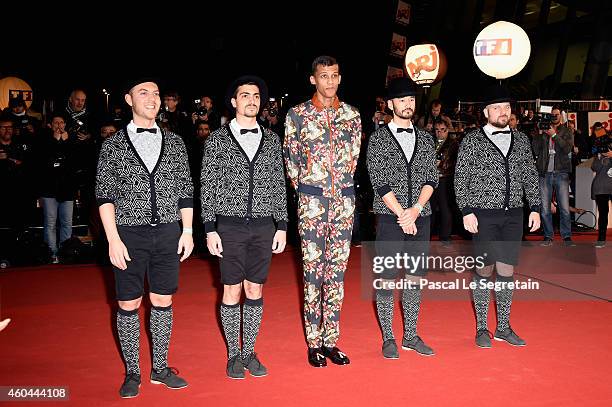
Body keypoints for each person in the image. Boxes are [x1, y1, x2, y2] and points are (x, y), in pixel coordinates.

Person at [96, 78, 194, 398]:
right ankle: (133, 372)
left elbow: (185, 193)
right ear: (128, 99)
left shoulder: (176, 142)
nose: (151, 99)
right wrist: (113, 239)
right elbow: (104, 196)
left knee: (163, 299)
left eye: (155, 93)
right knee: (128, 302)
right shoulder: (113, 145)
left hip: (168, 231)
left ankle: (161, 368)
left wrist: (188, 231)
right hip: (128, 233)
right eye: (143, 93)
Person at [201, 75, 288, 379]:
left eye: (256, 96)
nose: (251, 100)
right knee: (231, 289)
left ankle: (250, 351)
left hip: (265, 226)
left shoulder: (273, 140)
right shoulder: (216, 140)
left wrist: (282, 225)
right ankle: (233, 355)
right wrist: (210, 228)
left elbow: (279, 185)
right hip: (230, 226)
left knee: (255, 288)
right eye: (245, 95)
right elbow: (208, 186)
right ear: (234, 102)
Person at [284, 55, 361, 367]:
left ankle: (331, 340)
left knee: (337, 275)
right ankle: (313, 343)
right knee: (313, 274)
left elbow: (353, 159)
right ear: (313, 79)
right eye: (324, 76)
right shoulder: (298, 115)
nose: (330, 81)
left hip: (344, 203)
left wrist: (338, 190)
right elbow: (291, 162)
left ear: (339, 78)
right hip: (312, 205)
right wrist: (310, 191)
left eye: (335, 75)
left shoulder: (352, 115)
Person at [454, 84, 541, 348]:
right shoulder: (471, 140)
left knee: (506, 270)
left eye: (506, 107)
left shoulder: (522, 139)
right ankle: (482, 328)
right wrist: (466, 210)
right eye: (497, 108)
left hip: (514, 214)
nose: (503, 112)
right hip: (482, 215)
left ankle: (503, 327)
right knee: (484, 269)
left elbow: (529, 175)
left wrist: (535, 206)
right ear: (486, 112)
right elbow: (460, 177)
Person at [367, 77, 438, 359]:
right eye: (402, 100)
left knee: (414, 277)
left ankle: (410, 335)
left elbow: (431, 178)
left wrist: (417, 209)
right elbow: (380, 182)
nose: (408, 104)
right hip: (389, 217)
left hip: (421, 216)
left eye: (411, 100)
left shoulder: (425, 138)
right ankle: (388, 338)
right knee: (386, 278)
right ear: (391, 104)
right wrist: (402, 214)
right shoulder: (378, 138)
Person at [532, 107, 574, 246]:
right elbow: (535, 149)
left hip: (561, 172)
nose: (554, 117)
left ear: (561, 117)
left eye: (556, 115)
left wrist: (554, 135)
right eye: (552, 115)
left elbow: (568, 148)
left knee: (564, 208)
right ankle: (548, 236)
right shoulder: (543, 131)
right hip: (544, 173)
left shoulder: (567, 130)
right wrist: (540, 133)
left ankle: (566, 236)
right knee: (544, 208)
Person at [591, 132, 612, 248]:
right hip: (601, 186)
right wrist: (599, 156)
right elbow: (594, 168)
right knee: (603, 214)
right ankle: (601, 239)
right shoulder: (598, 155)